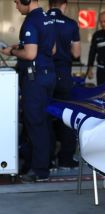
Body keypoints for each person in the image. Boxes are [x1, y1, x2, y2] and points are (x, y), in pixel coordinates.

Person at [0, 0, 56, 182]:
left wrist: (13, 52)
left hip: (35, 79)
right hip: (49, 76)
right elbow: (52, 49)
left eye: (17, 2)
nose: (16, 6)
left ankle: (39, 171)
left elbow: (31, 54)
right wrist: (19, 47)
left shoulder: (31, 21)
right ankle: (43, 164)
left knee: (35, 124)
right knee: (45, 123)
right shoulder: (47, 18)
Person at [47, 0, 80, 169]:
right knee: (66, 116)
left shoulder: (41, 20)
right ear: (64, 5)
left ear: (49, 3)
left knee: (45, 117)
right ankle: (66, 159)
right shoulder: (71, 24)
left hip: (44, 74)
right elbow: (76, 53)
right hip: (63, 74)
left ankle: (47, 159)